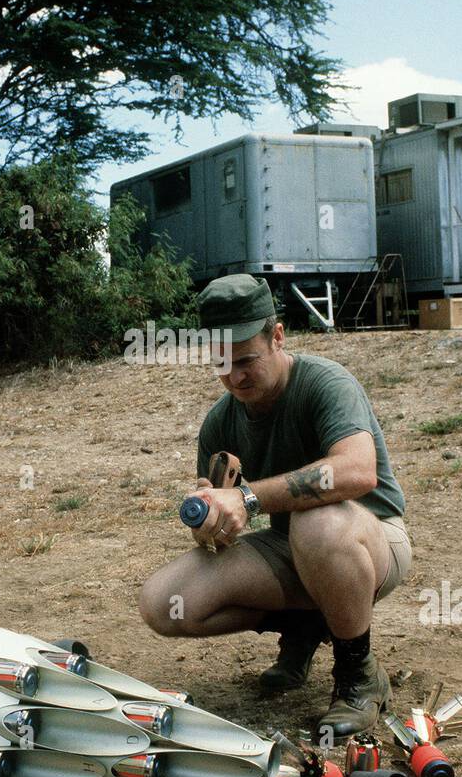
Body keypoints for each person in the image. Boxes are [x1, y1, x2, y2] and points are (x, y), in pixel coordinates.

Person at [138, 274, 411, 739]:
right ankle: (305, 624)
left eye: (246, 360)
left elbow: (357, 471)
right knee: (164, 604)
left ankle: (358, 676)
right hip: (290, 550)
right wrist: (211, 518)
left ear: (278, 336)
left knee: (318, 520)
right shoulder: (221, 420)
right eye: (220, 363)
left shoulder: (326, 382)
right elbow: (215, 525)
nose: (234, 377)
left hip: (370, 540)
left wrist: (247, 497)